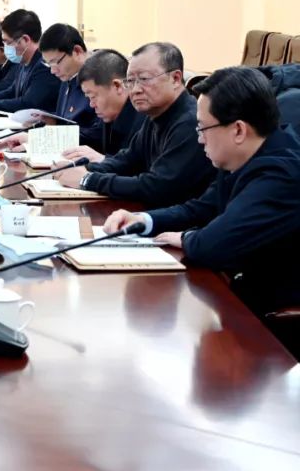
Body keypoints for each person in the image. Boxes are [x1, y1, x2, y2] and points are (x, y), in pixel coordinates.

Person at [104, 66, 300, 314]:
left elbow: (214, 244)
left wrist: (185, 238)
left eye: (203, 128)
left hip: (273, 317)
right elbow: (200, 209)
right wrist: (144, 220)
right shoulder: (241, 156)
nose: (200, 139)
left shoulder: (283, 173)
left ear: (238, 130)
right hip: (238, 292)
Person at [54, 42, 215, 208]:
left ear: (175, 79)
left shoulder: (190, 122)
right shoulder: (155, 115)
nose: (135, 89)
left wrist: (87, 179)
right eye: (130, 81)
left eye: (144, 79)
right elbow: (126, 161)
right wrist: (79, 167)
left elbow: (158, 187)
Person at [0, 24, 102, 152]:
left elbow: (96, 136)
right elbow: (67, 120)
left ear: (77, 51)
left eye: (55, 62)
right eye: (49, 64)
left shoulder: (99, 77)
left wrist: (38, 140)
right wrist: (49, 122)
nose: (53, 71)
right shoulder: (68, 75)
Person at [61, 49, 146, 163]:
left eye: (93, 96)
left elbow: (142, 169)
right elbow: (93, 138)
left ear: (117, 86)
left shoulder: (145, 121)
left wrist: (103, 160)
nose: (91, 104)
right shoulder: (110, 115)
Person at [0, 9, 60, 113]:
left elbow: (28, 103)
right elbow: (11, 92)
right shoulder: (23, 62)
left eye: (8, 42)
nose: (5, 48)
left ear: (25, 39)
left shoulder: (44, 66)